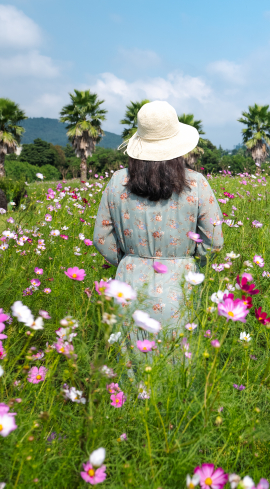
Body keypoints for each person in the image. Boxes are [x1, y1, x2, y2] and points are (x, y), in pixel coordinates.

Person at [93, 100, 223, 330]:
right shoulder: (197, 183)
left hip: (129, 283)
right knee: (177, 359)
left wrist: (128, 261)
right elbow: (214, 241)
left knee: (129, 356)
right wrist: (193, 265)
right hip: (180, 284)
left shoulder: (118, 181)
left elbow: (101, 238)